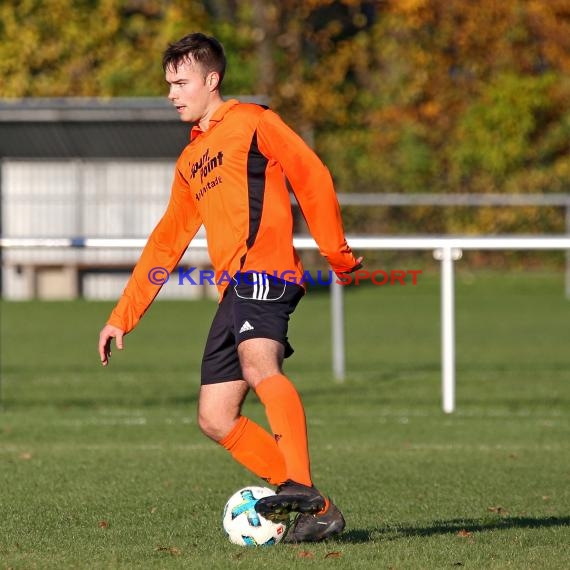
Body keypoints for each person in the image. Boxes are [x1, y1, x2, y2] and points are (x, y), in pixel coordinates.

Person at [98, 32, 361, 543]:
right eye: (168, 84)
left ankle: (301, 485)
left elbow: (312, 175)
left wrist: (337, 254)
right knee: (215, 417)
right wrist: (121, 316)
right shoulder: (191, 158)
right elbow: (166, 241)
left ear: (211, 80)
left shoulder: (254, 123)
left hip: (265, 272)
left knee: (260, 365)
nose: (172, 93)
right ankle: (319, 508)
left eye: (181, 82)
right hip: (233, 290)